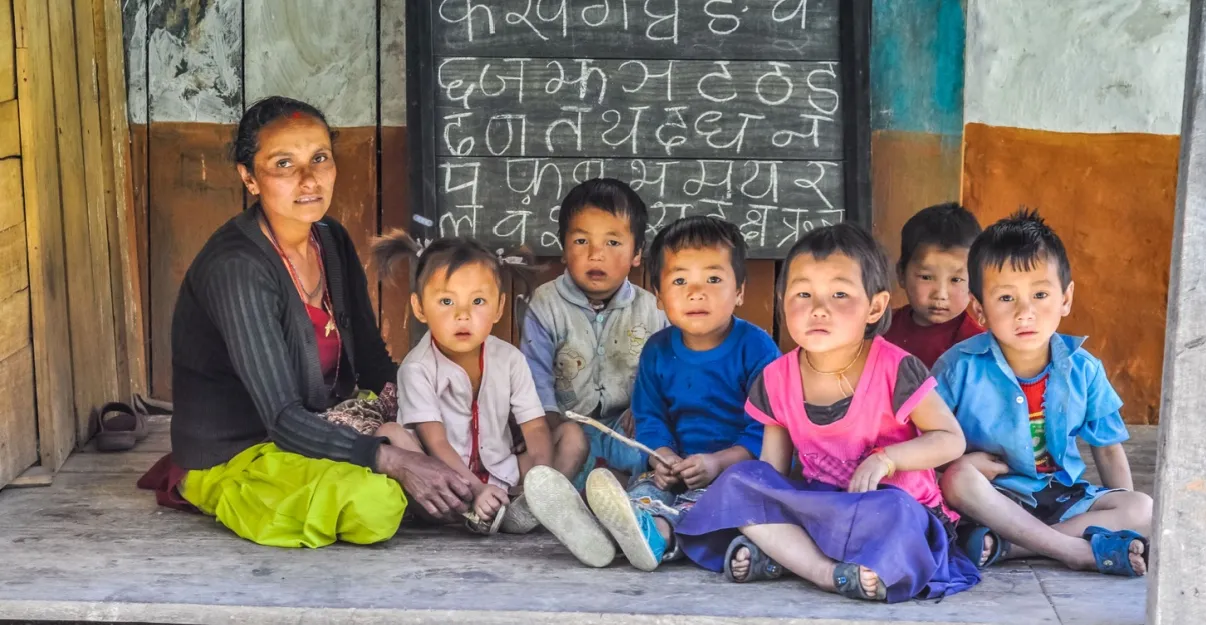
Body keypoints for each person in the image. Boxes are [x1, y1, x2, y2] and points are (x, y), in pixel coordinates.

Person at [138, 96, 472, 548]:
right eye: (283, 164)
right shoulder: (237, 268)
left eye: (319, 158)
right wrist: (392, 459)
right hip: (247, 452)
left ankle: (485, 498)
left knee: (460, 421)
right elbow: (282, 419)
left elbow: (374, 364)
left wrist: (428, 409)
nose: (309, 179)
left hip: (331, 422)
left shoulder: (329, 239)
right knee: (376, 505)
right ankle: (446, 495)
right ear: (249, 178)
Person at [674, 224, 980, 602]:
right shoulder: (776, 378)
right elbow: (773, 473)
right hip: (820, 507)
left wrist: (887, 460)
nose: (818, 309)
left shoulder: (895, 368)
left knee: (899, 512)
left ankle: (785, 556)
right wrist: (761, 497)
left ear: (876, 306)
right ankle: (825, 572)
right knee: (742, 480)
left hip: (887, 511)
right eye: (803, 293)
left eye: (839, 293)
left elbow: (951, 440)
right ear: (782, 299)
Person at [528, 217, 779, 570]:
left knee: (707, 505)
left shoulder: (756, 349)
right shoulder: (657, 350)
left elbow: (765, 432)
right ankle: (607, 534)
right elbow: (651, 417)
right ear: (659, 298)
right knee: (644, 492)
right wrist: (659, 456)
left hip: (735, 472)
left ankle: (657, 535)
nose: (696, 291)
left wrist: (717, 462)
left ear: (739, 291)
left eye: (713, 279)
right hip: (675, 469)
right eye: (680, 281)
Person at [934, 209, 1153, 577]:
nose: (1025, 312)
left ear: (1065, 298)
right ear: (979, 308)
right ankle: (1073, 551)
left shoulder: (1084, 369)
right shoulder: (958, 367)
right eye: (1006, 298)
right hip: (992, 495)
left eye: (1040, 294)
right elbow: (926, 437)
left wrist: (1123, 520)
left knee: (1143, 508)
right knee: (958, 477)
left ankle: (1008, 547)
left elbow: (1109, 448)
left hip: (1060, 495)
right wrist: (957, 465)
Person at [372, 232, 589, 535]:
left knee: (571, 435)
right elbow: (435, 443)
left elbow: (535, 427)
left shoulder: (510, 359)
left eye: (478, 301)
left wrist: (542, 479)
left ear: (499, 306)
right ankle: (470, 513)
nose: (463, 315)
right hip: (446, 485)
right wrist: (474, 490)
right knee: (390, 433)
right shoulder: (417, 368)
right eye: (446, 301)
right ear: (419, 307)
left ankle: (534, 506)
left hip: (505, 476)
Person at [884, 202, 984, 367]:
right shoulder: (883, 327)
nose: (941, 294)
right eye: (926, 277)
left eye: (956, 280)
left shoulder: (976, 347)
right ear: (901, 273)